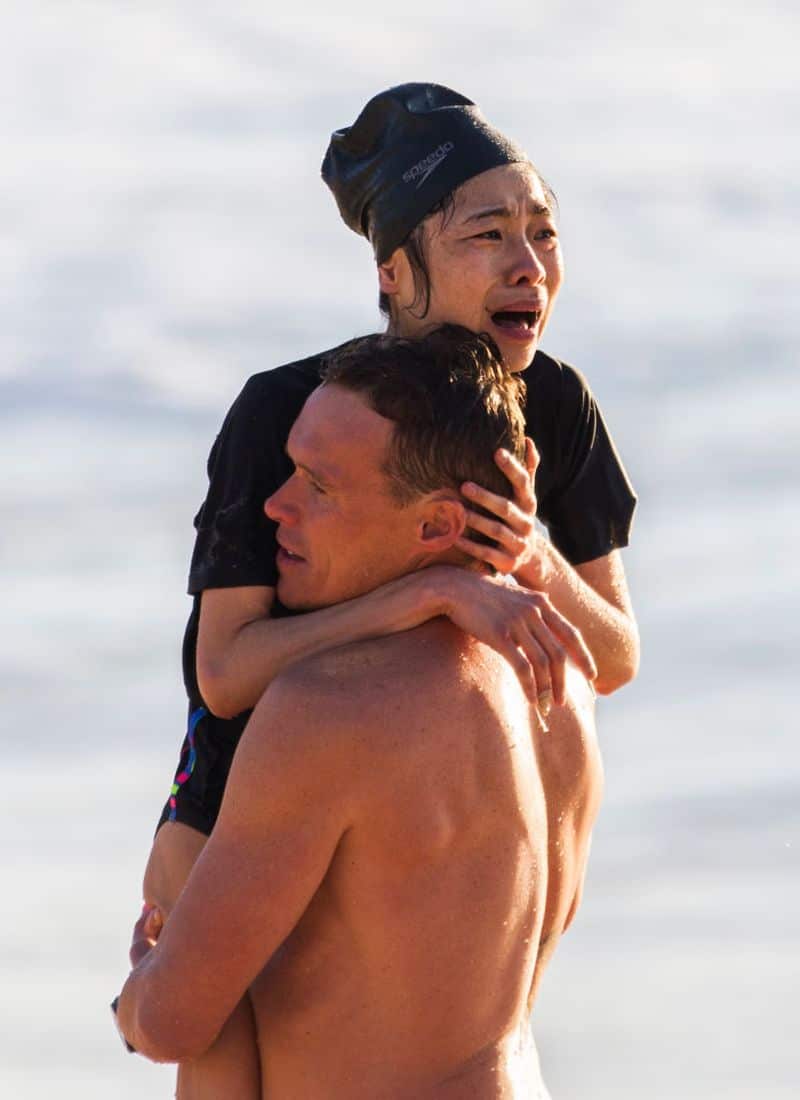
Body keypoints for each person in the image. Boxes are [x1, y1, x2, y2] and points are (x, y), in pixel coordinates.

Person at [136, 83, 637, 1096]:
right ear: (394, 272)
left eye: (541, 233)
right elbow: (225, 675)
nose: (527, 264)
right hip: (239, 796)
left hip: (421, 797)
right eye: (487, 234)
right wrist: (425, 596)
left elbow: (613, 653)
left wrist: (525, 555)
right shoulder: (293, 411)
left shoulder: (555, 407)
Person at [116, 327, 604, 1099]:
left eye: (319, 483)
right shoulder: (560, 696)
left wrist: (140, 991)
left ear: (436, 527)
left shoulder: (327, 710)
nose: (277, 504)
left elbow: (177, 1022)